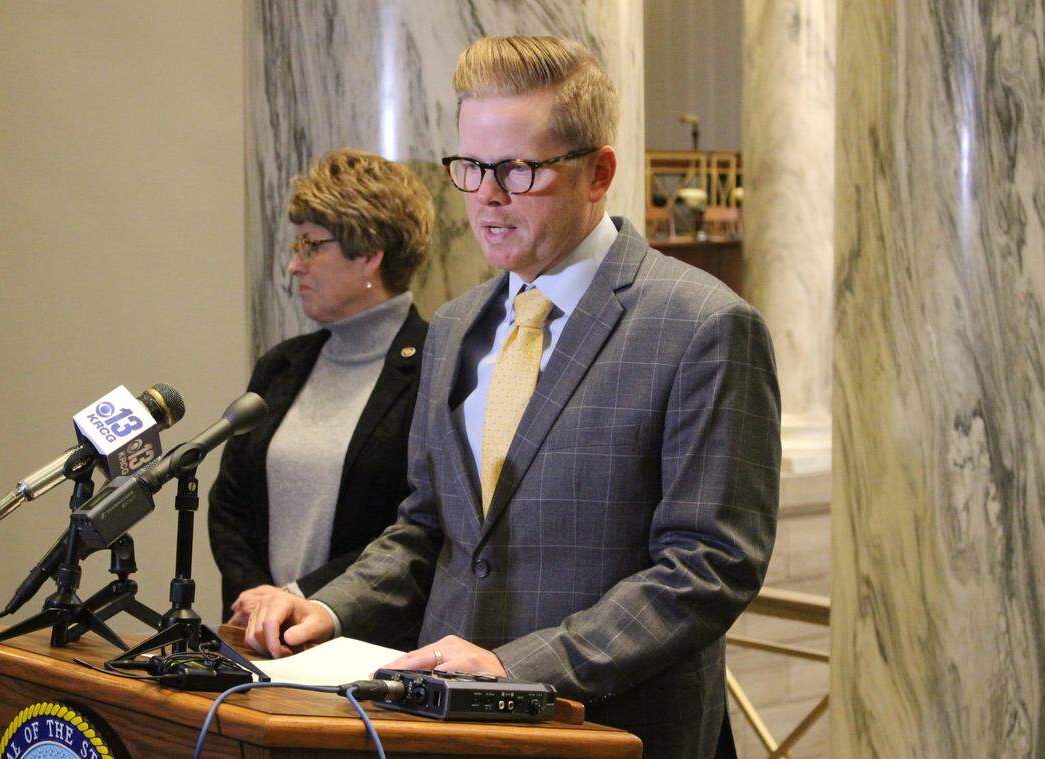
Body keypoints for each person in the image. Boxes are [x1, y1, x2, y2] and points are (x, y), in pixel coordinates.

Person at [242, 37, 780, 758]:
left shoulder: (703, 326)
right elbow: (427, 527)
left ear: (600, 173)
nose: (487, 197)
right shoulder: (457, 324)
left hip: (611, 732)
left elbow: (711, 564)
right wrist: (325, 604)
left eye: (518, 170)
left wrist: (515, 670)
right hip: (444, 733)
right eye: (470, 167)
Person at [208, 148, 433, 644]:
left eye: (311, 246)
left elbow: (418, 527)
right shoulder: (282, 365)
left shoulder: (435, 368)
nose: (293, 265)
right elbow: (229, 503)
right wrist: (260, 598)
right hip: (262, 639)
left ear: (369, 252)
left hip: (368, 645)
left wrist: (300, 596)